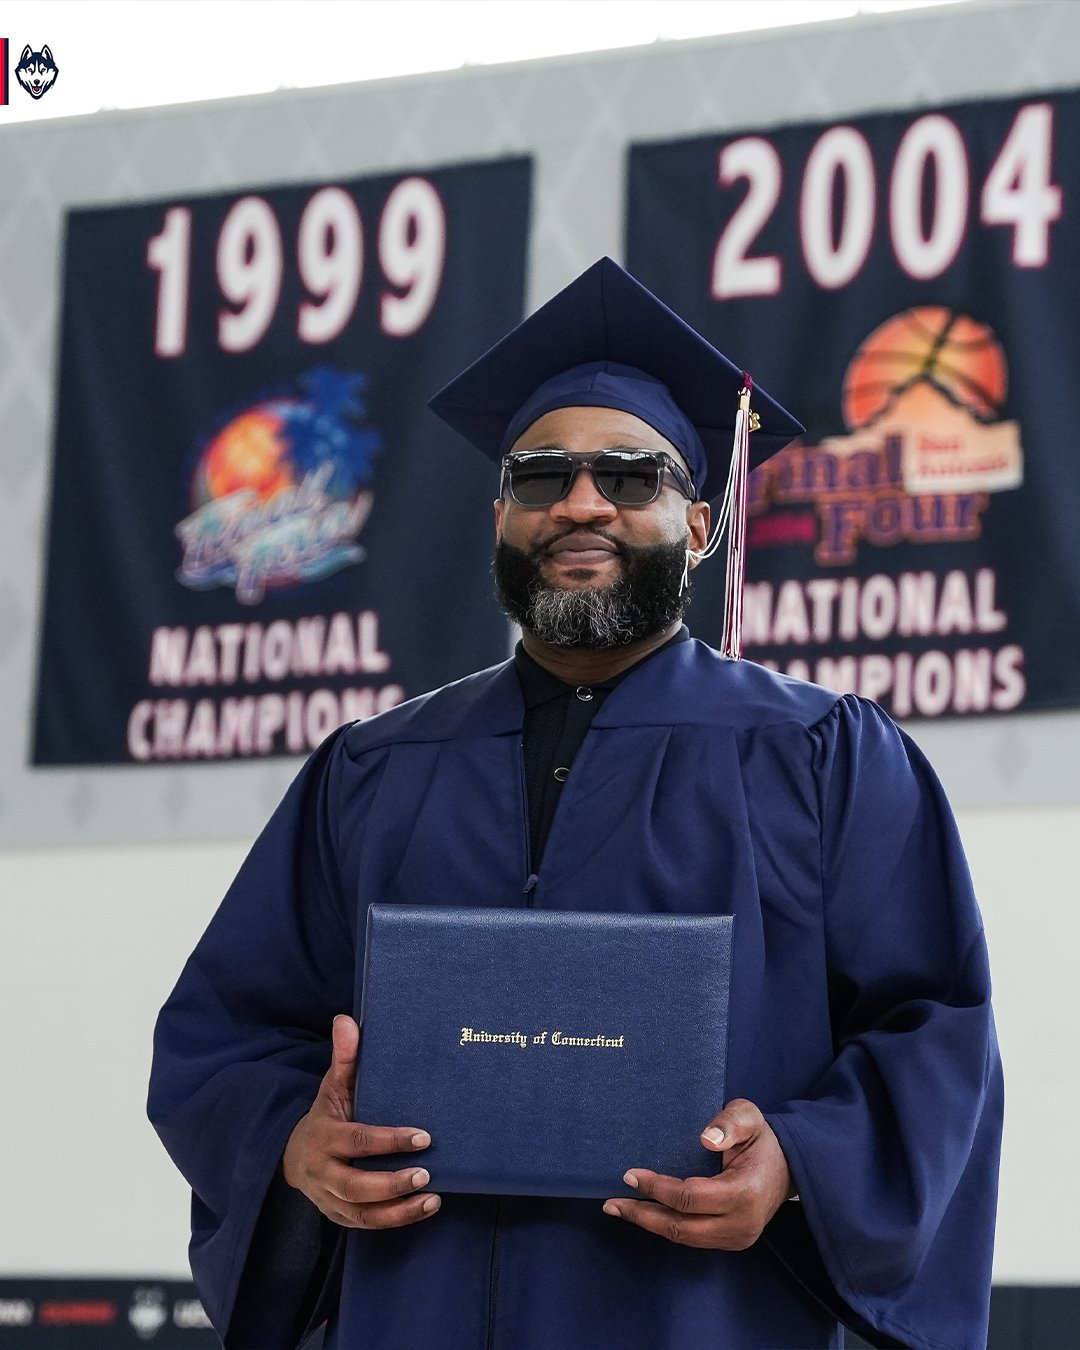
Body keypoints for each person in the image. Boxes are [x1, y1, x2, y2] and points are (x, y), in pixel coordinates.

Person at [148, 258, 1002, 1350]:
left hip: (704, 1318)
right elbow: (226, 1032)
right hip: (419, 1310)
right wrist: (292, 1145)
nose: (582, 501)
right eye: (541, 475)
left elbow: (934, 1030)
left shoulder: (822, 757)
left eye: (631, 476)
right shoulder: (373, 769)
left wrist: (799, 1162)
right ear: (501, 516)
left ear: (700, 528)